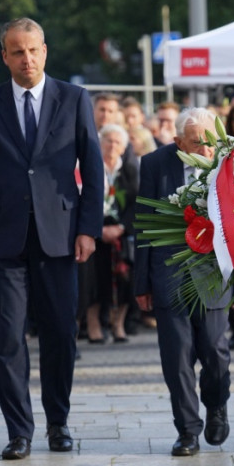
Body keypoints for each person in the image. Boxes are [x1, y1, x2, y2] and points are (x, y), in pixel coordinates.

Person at [0, 17, 105, 460]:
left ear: (45, 50)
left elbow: (93, 171)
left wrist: (88, 229)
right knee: (7, 338)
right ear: (5, 56)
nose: (27, 59)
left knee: (61, 333)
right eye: (17, 51)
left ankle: (58, 423)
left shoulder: (74, 98)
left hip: (59, 237)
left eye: (33, 50)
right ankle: (19, 430)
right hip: (2, 240)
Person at [134, 107, 232, 458]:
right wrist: (141, 283)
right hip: (169, 271)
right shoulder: (155, 165)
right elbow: (144, 225)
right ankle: (188, 430)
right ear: (177, 143)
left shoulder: (229, 162)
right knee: (177, 358)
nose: (207, 150)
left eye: (211, 142)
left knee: (216, 353)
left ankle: (217, 404)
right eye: (197, 143)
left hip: (213, 271)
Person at [96, 124, 137, 343]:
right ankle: (95, 325)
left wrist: (121, 227)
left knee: (126, 279)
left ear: (123, 147)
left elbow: (135, 202)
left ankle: (118, 323)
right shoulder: (91, 167)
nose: (112, 146)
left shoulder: (129, 169)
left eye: (117, 142)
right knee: (93, 280)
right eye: (108, 141)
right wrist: (97, 228)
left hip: (122, 232)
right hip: (96, 231)